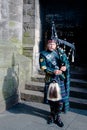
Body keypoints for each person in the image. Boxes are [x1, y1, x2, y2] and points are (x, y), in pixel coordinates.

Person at [39, 39, 70, 127]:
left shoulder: (60, 53)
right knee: (52, 100)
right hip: (50, 78)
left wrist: (65, 67)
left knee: (60, 101)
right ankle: (52, 115)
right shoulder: (43, 54)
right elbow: (43, 67)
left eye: (53, 44)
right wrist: (53, 71)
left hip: (60, 78)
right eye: (50, 44)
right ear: (47, 45)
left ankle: (57, 116)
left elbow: (66, 63)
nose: (51, 46)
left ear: (56, 45)